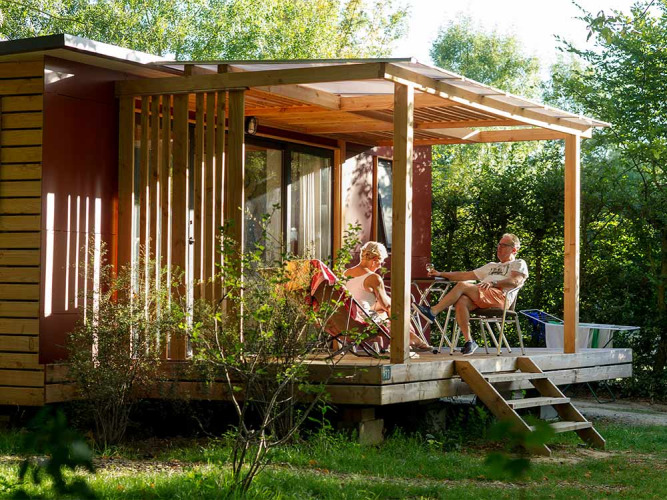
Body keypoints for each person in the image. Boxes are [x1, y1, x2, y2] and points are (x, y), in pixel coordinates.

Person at [414, 233, 528, 356]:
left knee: (462, 285)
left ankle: (433, 311)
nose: (499, 248)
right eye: (499, 245)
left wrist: (493, 283)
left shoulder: (518, 263)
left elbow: (515, 282)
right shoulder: (491, 266)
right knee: (462, 300)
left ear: (514, 249)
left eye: (503, 245)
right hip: (483, 295)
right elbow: (465, 275)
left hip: (500, 297)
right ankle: (469, 341)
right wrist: (441, 274)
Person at [344, 241, 432, 351]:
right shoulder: (373, 278)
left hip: (349, 316)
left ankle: (409, 337)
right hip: (364, 319)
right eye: (380, 263)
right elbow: (386, 305)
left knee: (388, 307)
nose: (380, 266)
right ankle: (408, 337)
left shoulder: (346, 273)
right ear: (375, 259)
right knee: (395, 307)